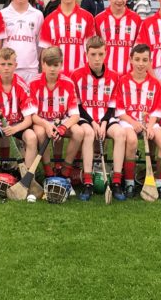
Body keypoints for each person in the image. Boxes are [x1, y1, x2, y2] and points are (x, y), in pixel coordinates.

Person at [71, 36, 125, 201]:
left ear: (106, 54)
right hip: (85, 118)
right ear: (86, 54)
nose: (97, 58)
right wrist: (94, 123)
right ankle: (88, 182)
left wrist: (103, 122)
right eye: (93, 54)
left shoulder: (115, 76)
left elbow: (112, 105)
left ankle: (116, 181)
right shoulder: (77, 75)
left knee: (120, 134)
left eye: (100, 54)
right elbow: (78, 105)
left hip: (106, 119)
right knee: (88, 133)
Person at [116, 44, 161, 200]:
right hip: (128, 121)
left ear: (150, 61)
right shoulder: (123, 81)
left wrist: (151, 125)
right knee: (132, 141)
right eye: (137, 59)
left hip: (149, 122)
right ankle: (129, 183)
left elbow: (156, 110)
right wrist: (133, 123)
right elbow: (120, 111)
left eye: (144, 60)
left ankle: (158, 184)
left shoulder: (155, 83)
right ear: (131, 60)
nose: (141, 63)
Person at [0, 47, 37, 196]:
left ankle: (27, 180)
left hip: (17, 123)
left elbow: (28, 119)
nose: (6, 68)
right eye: (3, 64)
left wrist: (15, 129)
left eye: (9, 64)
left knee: (31, 137)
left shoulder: (22, 85)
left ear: (15, 66)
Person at [31, 47, 83, 186]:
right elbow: (32, 115)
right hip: (41, 122)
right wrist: (47, 125)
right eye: (49, 64)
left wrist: (62, 127)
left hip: (62, 122)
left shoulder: (68, 83)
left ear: (61, 65)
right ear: (43, 64)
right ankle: (49, 173)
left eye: (56, 65)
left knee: (79, 132)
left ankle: (64, 172)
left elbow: (75, 115)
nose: (52, 69)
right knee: (41, 133)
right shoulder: (34, 82)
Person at [40, 0, 96, 76]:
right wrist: (45, 75)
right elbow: (45, 51)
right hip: (56, 76)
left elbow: (91, 48)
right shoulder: (49, 19)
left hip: (81, 75)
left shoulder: (87, 17)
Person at [1, 0, 43, 83]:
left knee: (30, 100)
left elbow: (39, 44)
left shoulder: (38, 15)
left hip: (31, 69)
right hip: (8, 68)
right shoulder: (2, 14)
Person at [95, 0, 143, 73]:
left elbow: (139, 48)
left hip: (129, 74)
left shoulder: (136, 19)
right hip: (105, 74)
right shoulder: (99, 19)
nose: (119, 0)